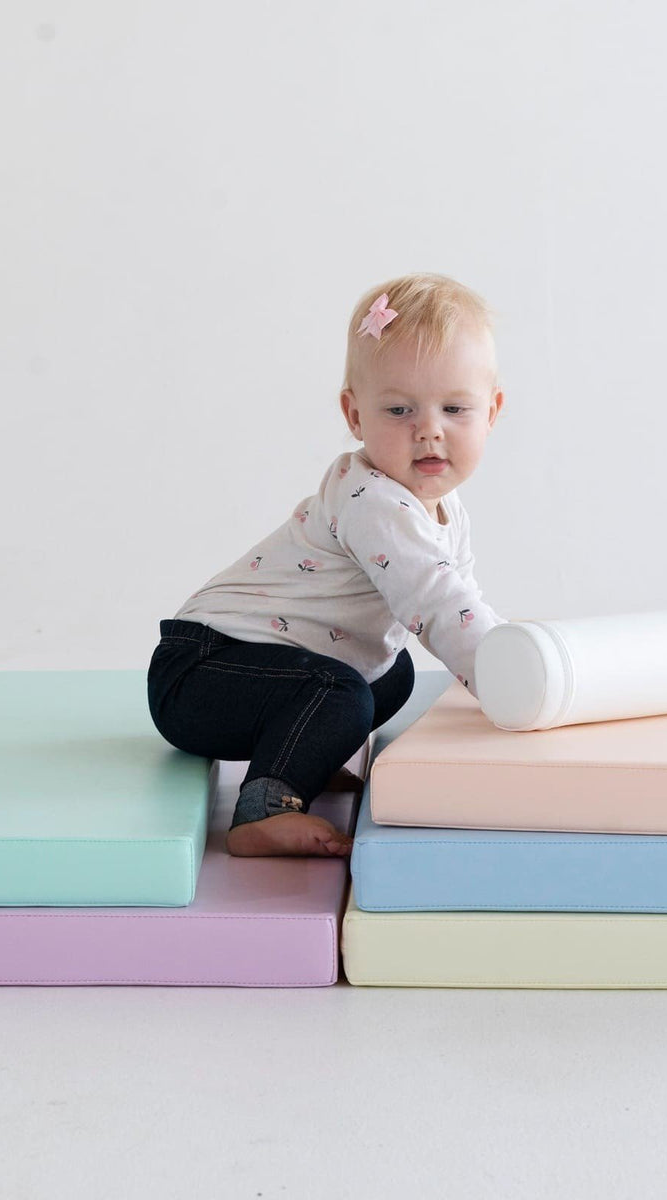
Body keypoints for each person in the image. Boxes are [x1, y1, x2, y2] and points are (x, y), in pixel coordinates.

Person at [147, 272, 508, 859]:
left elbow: (461, 596)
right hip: (202, 671)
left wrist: (506, 651)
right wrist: (512, 684)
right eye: (399, 409)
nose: (428, 430)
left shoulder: (442, 506)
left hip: (266, 672)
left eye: (454, 408)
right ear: (354, 414)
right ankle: (264, 810)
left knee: (391, 674)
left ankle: (300, 752)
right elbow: (439, 607)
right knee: (339, 691)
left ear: (491, 412)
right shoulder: (374, 502)